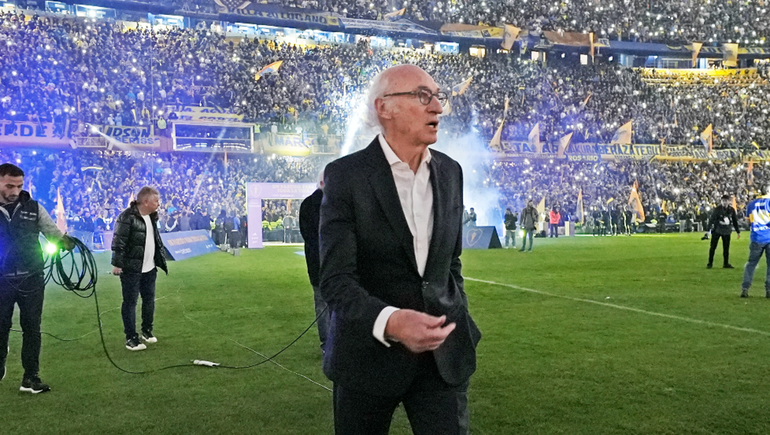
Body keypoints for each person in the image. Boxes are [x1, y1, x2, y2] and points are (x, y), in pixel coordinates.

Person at [319, 64, 481, 435]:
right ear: (385, 107)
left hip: (442, 358)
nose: (438, 108)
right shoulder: (346, 176)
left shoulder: (450, 172)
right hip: (367, 356)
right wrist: (391, 321)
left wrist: (454, 309)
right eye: (423, 96)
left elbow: (449, 263)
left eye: (439, 97)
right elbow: (336, 279)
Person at [0, 163, 73, 394]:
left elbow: (53, 232)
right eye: (9, 185)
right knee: (1, 327)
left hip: (31, 277)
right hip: (1, 280)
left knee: (32, 328)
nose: (15, 190)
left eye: (19, 185)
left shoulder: (34, 207)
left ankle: (30, 377)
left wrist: (65, 242)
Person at [111, 186, 168, 351]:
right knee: (130, 302)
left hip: (149, 268)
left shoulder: (152, 217)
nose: (159, 204)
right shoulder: (126, 217)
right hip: (132, 269)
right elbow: (118, 241)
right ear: (145, 201)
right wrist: (117, 264)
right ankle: (131, 337)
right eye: (156, 201)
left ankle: (147, 331)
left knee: (149, 300)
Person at [299, 175, 330, 352]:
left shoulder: (307, 204)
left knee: (322, 305)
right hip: (328, 263)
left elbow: (307, 236)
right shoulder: (331, 203)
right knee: (330, 304)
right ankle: (330, 341)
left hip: (316, 264)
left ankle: (327, 342)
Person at [742, 186, 770, 298]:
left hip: (756, 238)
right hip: (769, 237)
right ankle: (768, 290)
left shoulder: (751, 204)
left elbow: (748, 222)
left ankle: (745, 288)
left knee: (751, 264)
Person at [707, 194, 740, 269]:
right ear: (721, 201)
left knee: (726, 248)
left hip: (727, 231)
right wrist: (708, 229)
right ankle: (710, 263)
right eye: (723, 201)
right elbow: (712, 219)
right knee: (713, 247)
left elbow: (735, 221)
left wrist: (737, 231)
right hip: (717, 230)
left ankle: (726, 263)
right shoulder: (717, 209)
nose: (724, 202)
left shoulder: (731, 210)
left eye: (726, 201)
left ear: (729, 201)